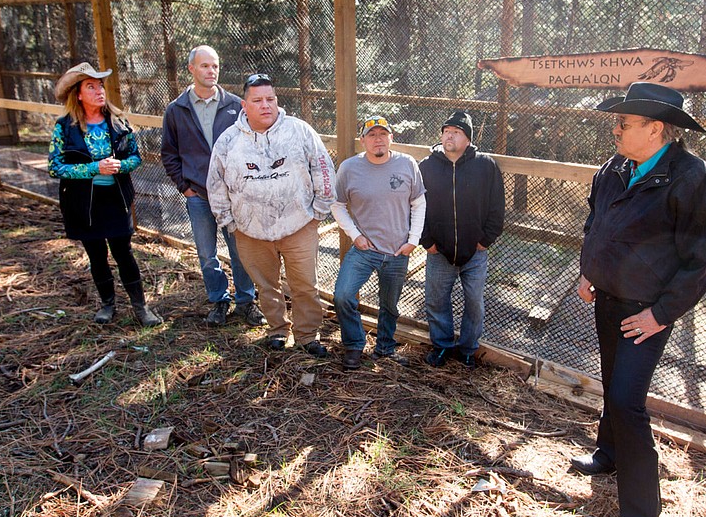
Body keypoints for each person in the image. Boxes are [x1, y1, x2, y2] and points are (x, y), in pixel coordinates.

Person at [571, 81, 706, 517]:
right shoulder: (615, 168)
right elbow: (594, 223)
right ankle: (608, 453)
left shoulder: (693, 177)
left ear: (656, 129)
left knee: (628, 400)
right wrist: (587, 269)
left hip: (646, 313)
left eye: (623, 123)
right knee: (612, 380)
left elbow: (705, 257)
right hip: (607, 299)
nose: (614, 131)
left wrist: (660, 314)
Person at [206, 73, 336, 354]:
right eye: (258, 100)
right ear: (244, 105)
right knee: (266, 286)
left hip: (299, 224)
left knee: (305, 286)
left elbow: (323, 168)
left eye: (270, 99)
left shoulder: (299, 131)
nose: (265, 105)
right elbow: (215, 183)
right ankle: (277, 329)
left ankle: (306, 335)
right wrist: (229, 222)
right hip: (250, 231)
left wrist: (319, 212)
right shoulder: (228, 141)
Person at [48, 63, 162, 327]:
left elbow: (135, 157)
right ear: (77, 94)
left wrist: (121, 166)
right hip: (83, 203)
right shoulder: (64, 127)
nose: (99, 91)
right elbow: (55, 167)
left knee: (124, 252)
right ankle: (107, 305)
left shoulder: (118, 122)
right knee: (96, 254)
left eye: (100, 86)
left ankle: (141, 307)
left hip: (116, 199)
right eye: (91, 86)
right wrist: (93, 168)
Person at [161, 45, 263, 327]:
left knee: (240, 251)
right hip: (199, 196)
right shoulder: (177, 109)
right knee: (207, 254)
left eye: (215, 66)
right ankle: (219, 300)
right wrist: (185, 187)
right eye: (205, 66)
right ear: (192, 69)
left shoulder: (233, 106)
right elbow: (169, 154)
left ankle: (246, 301)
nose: (211, 71)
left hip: (233, 196)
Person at [331, 115, 426, 370]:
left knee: (389, 304)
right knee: (342, 295)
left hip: (397, 251)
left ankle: (385, 347)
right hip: (364, 249)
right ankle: (354, 344)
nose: (378, 139)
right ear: (363, 141)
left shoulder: (406, 164)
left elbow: (419, 203)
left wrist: (413, 240)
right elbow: (337, 205)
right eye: (371, 135)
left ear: (391, 138)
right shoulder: (349, 168)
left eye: (382, 134)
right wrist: (355, 235)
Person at [419, 110, 505, 368]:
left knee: (474, 303)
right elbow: (416, 205)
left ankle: (468, 348)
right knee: (436, 300)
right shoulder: (426, 166)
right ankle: (442, 346)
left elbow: (496, 207)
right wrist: (427, 241)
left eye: (456, 132)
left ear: (467, 138)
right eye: (446, 132)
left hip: (475, 252)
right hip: (439, 252)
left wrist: (485, 240)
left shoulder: (485, 165)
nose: (449, 136)